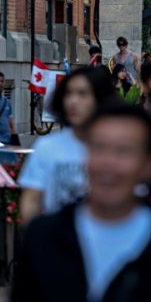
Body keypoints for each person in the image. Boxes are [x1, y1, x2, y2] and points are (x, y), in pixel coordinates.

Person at [0, 104, 151, 302]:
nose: (108, 163)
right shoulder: (44, 238)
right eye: (99, 148)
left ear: (149, 165)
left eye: (124, 151)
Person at [18, 68, 117, 224]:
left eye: (82, 94)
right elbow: (31, 199)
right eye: (68, 93)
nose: (73, 101)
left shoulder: (117, 147)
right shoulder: (47, 147)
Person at [0, 72, 15, 144]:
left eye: (2, 81)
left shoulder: (7, 102)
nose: (0, 83)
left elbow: (11, 124)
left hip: (9, 142)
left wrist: (16, 144)